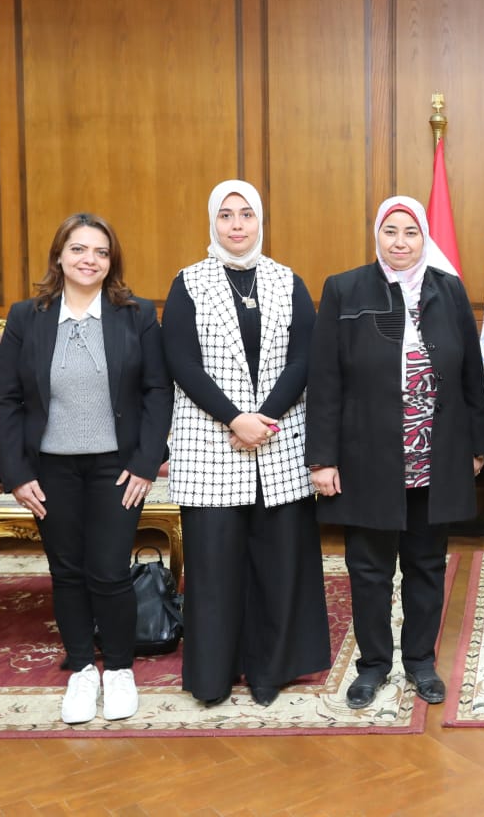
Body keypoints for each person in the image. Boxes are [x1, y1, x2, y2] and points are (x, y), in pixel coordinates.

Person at [306, 196, 484, 709]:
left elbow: (470, 373)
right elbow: (325, 378)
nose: (401, 242)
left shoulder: (448, 289)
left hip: (434, 454)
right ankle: (372, 665)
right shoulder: (345, 289)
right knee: (369, 569)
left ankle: (420, 662)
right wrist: (322, 458)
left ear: (424, 237)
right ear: (377, 236)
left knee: (426, 564)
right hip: (366, 456)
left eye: (411, 232)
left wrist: (477, 443)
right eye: (391, 231)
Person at [0, 213, 173, 724]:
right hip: (49, 469)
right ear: (59, 256)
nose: (89, 259)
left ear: (111, 262)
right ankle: (82, 671)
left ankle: (119, 669)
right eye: (78, 249)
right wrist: (16, 474)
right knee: (66, 572)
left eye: (100, 251)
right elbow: (3, 398)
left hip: (118, 468)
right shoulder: (27, 317)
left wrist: (147, 463)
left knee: (110, 570)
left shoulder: (136, 315)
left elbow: (158, 390)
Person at [163, 179, 330, 707]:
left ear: (260, 221)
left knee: (279, 565)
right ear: (213, 222)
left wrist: (265, 418)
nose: (237, 225)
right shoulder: (188, 282)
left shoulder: (287, 280)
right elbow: (182, 362)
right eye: (226, 215)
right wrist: (236, 418)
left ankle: (269, 671)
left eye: (246, 215)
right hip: (212, 443)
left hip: (279, 444)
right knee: (214, 569)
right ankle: (214, 676)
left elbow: (305, 358)